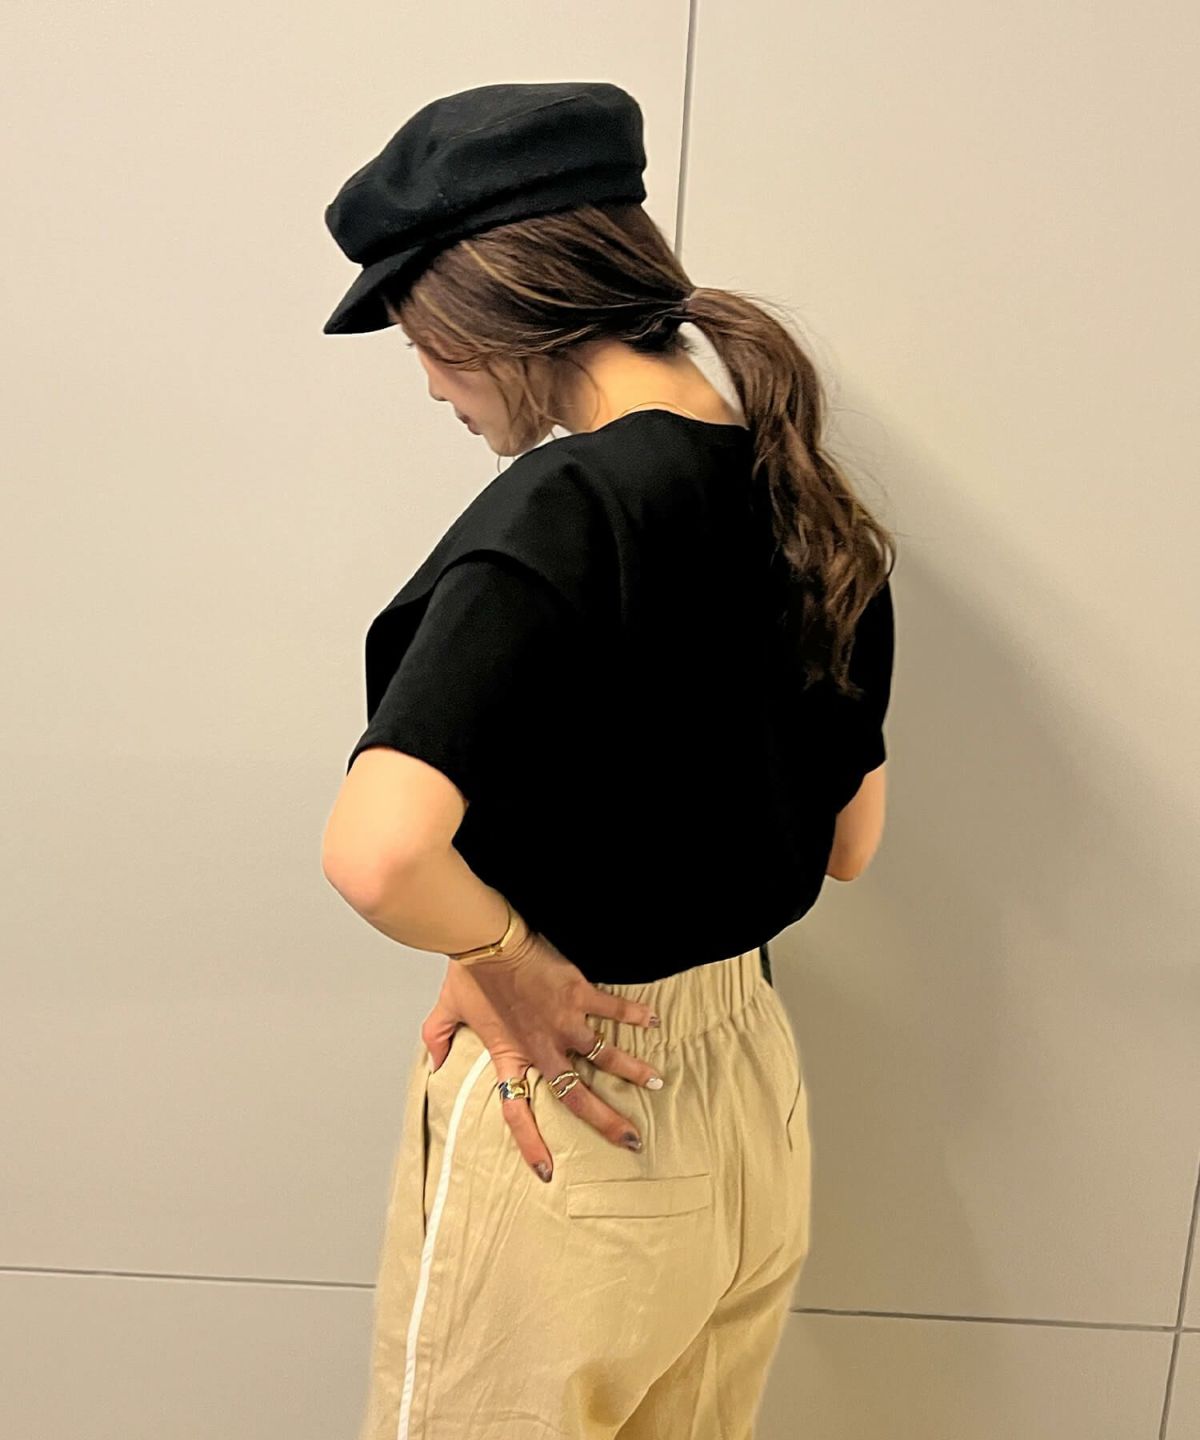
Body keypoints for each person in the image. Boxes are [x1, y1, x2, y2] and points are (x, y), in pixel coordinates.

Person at [320, 81, 896, 1440]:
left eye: (420, 338)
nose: (429, 381)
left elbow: (379, 853)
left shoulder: (565, 505)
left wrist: (506, 952)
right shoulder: (799, 489)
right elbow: (848, 843)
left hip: (578, 1093)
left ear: (480, 307)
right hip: (751, 1106)